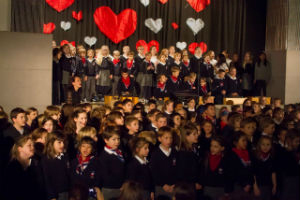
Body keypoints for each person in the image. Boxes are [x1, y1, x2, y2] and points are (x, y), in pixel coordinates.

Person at [3, 135, 43, 200]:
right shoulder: (12, 167)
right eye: (29, 145)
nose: (32, 147)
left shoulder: (37, 163)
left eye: (33, 145)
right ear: (19, 149)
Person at [150, 126, 178, 198]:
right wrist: (163, 184)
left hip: (173, 186)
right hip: (160, 187)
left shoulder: (175, 152)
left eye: (170, 138)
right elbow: (154, 171)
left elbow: (177, 169)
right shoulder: (155, 154)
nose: (169, 140)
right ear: (159, 139)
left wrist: (175, 183)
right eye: (166, 138)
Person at [98, 126, 125, 200]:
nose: (117, 142)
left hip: (121, 188)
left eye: (118, 139)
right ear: (106, 140)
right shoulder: (104, 156)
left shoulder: (119, 152)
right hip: (110, 189)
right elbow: (105, 176)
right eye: (114, 139)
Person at [42, 131, 69, 200]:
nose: (62, 145)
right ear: (51, 143)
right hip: (56, 194)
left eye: (63, 142)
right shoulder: (46, 160)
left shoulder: (65, 156)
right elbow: (47, 180)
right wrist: (52, 196)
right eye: (59, 142)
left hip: (67, 192)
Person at [177, 124, 201, 191]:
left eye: (197, 133)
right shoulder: (183, 153)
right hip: (187, 187)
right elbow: (184, 173)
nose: (197, 135)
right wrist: (194, 182)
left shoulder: (194, 148)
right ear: (187, 136)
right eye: (194, 134)